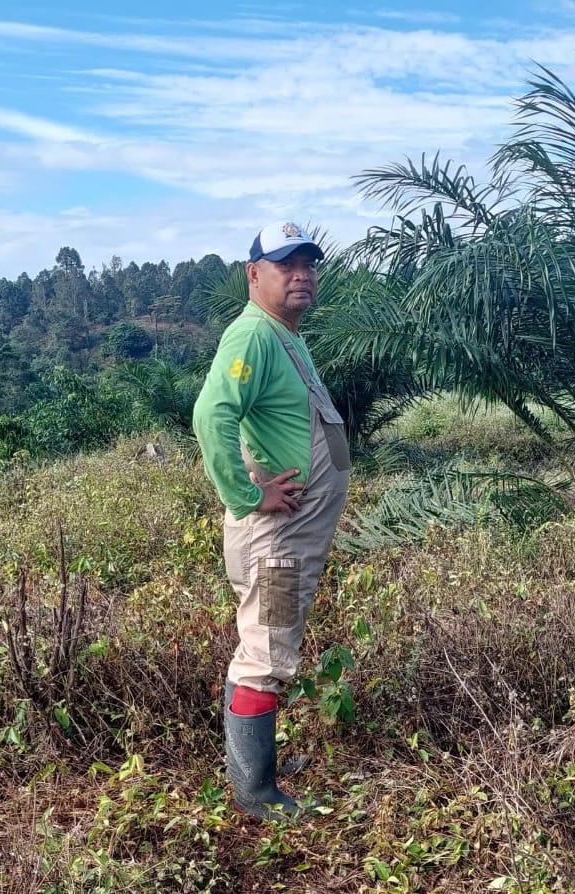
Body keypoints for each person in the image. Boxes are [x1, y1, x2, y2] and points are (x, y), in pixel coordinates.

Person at [191, 221, 351, 820]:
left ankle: (257, 773)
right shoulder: (253, 335)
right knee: (266, 652)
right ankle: (255, 794)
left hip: (292, 536)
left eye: (309, 264)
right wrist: (248, 494)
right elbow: (211, 415)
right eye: (287, 265)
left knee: (268, 643)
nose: (302, 275)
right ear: (254, 274)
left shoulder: (282, 334)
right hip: (278, 542)